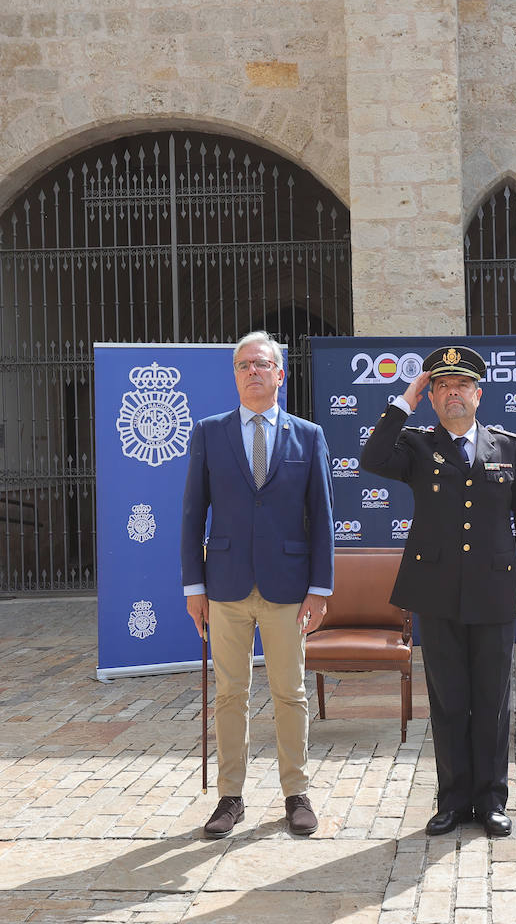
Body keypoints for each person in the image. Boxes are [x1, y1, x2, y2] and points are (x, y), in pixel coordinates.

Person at [360, 345, 516, 837]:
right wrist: (405, 399)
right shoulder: (417, 445)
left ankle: (491, 800)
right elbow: (372, 457)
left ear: (478, 395)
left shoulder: (507, 445)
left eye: (462, 386)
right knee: (447, 700)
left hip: (495, 591)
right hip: (436, 592)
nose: (453, 393)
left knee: (491, 699)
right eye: (442, 386)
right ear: (433, 398)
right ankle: (453, 800)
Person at [180, 330, 334, 838]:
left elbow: (323, 517)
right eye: (244, 365)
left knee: (290, 693)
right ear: (235, 375)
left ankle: (296, 793)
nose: (253, 372)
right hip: (224, 586)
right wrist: (192, 587)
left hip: (288, 587)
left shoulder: (307, 436)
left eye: (262, 364)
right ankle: (230, 798)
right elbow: (191, 514)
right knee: (230, 695)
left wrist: (320, 588)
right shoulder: (210, 432)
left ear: (280, 374)